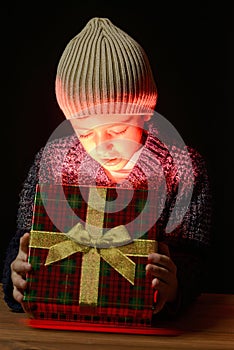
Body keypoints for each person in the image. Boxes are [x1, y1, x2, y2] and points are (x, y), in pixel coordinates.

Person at [2, 17, 211, 321]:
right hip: (59, 321)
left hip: (151, 329)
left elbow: (196, 257)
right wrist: (16, 274)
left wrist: (177, 285)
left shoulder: (181, 166)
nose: (102, 146)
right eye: (86, 133)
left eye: (116, 130)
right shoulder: (54, 160)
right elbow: (25, 239)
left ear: (145, 112)